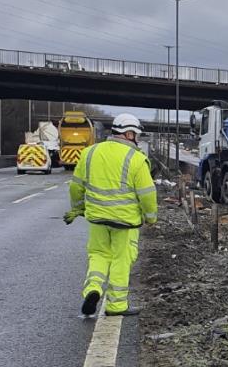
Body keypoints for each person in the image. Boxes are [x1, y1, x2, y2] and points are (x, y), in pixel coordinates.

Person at [64, 113, 158, 317]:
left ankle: (93, 290)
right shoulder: (136, 159)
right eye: (136, 135)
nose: (137, 140)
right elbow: (147, 194)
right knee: (120, 261)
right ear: (129, 133)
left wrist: (78, 209)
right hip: (125, 222)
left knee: (98, 256)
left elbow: (75, 187)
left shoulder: (89, 153)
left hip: (97, 219)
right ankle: (116, 305)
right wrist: (151, 217)